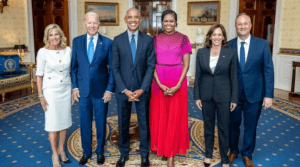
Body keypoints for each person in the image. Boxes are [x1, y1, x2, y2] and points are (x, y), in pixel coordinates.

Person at [228, 13, 274, 167]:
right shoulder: (228, 45)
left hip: (255, 94)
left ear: (250, 25)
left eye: (245, 23)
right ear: (235, 27)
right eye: (239, 24)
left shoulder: (262, 44)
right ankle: (233, 150)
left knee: (251, 125)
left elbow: (268, 70)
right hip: (233, 95)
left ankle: (247, 154)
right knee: (233, 124)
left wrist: (268, 95)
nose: (242, 26)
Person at [111, 8, 155, 167]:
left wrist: (142, 89)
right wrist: (125, 90)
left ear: (141, 20)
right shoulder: (117, 40)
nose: (133, 20)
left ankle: (145, 154)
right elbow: (114, 68)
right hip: (124, 92)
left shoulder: (148, 40)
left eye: (136, 17)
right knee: (123, 123)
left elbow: (151, 67)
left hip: (142, 91)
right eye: (130, 17)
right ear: (125, 19)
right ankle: (123, 153)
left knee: (144, 123)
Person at [71, 12, 114, 166]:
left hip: (101, 92)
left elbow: (112, 69)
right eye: (89, 23)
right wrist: (74, 87)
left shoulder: (108, 43)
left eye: (95, 23)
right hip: (83, 91)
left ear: (99, 24)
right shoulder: (76, 42)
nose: (92, 26)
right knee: (84, 122)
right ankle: (86, 151)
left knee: (101, 122)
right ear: (84, 24)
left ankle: (100, 151)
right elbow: (74, 68)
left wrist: (109, 89)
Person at [149, 10, 192, 167]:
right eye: (165, 21)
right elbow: (151, 63)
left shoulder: (183, 38)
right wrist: (159, 84)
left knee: (174, 116)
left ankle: (171, 155)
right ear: (161, 23)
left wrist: (178, 85)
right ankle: (162, 148)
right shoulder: (155, 39)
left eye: (171, 21)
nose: (168, 24)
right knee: (160, 115)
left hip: (177, 79)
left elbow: (186, 64)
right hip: (158, 80)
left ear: (176, 22)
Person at [194, 24, 239, 167]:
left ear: (224, 37)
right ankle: (208, 154)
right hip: (206, 95)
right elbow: (198, 76)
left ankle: (224, 158)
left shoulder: (231, 52)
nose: (217, 37)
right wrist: (197, 96)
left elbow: (234, 77)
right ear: (210, 36)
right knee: (207, 126)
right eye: (214, 34)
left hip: (224, 96)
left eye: (220, 35)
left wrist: (234, 98)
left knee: (224, 127)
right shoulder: (201, 52)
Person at [36, 24, 72, 167]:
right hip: (50, 91)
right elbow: (39, 76)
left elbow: (72, 70)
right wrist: (41, 96)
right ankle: (54, 154)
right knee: (52, 123)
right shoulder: (42, 52)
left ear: (61, 35)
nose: (54, 37)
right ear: (47, 37)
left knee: (64, 122)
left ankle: (61, 150)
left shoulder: (68, 50)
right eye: (51, 35)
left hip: (65, 89)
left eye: (56, 34)